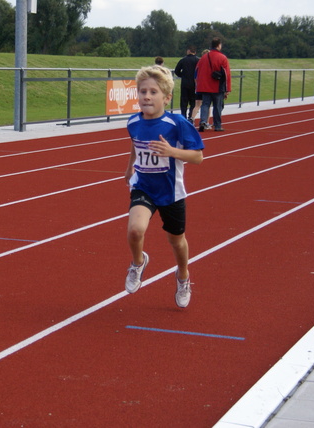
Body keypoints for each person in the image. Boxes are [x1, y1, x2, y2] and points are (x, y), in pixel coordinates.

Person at [124, 65, 204, 308]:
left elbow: (198, 156)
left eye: (153, 92)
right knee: (136, 230)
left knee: (176, 240)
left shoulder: (176, 123)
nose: (146, 96)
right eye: (142, 91)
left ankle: (183, 276)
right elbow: (136, 145)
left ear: (167, 97)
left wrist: (172, 152)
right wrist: (130, 168)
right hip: (144, 185)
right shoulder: (133, 121)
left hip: (171, 192)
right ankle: (138, 263)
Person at [195, 37, 231, 132]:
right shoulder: (222, 58)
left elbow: (197, 71)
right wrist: (227, 89)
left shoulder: (203, 57)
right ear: (219, 45)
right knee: (217, 106)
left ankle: (203, 121)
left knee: (205, 105)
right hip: (217, 86)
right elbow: (227, 74)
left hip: (205, 87)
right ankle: (217, 125)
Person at [174, 46, 199, 123]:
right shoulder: (198, 60)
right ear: (195, 52)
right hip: (194, 83)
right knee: (193, 102)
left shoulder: (183, 60)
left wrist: (182, 75)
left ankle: (183, 117)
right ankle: (191, 117)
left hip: (185, 83)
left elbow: (176, 71)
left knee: (184, 101)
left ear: (188, 51)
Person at [190, 49, 210, 128]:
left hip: (199, 87)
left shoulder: (199, 64)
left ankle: (192, 118)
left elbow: (195, 77)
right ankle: (206, 122)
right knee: (207, 105)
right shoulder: (208, 65)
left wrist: (197, 85)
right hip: (207, 88)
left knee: (197, 105)